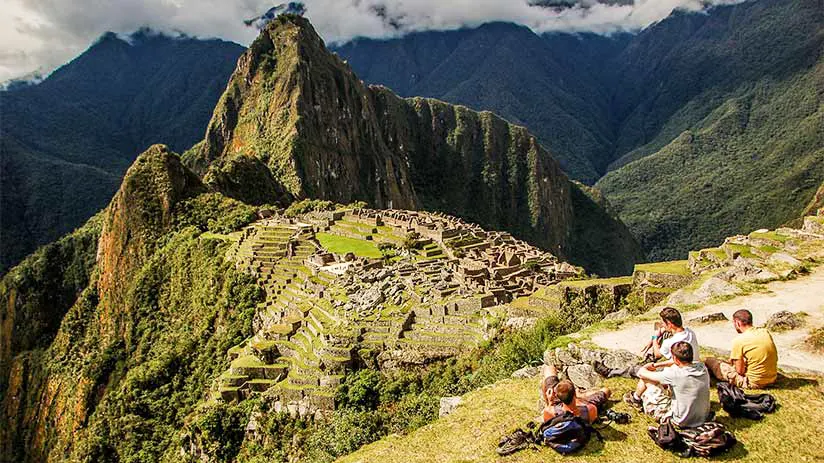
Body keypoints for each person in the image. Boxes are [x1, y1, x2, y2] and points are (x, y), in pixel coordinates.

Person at [593, 307, 700, 378]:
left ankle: (610, 372)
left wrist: (654, 338)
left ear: (669, 324)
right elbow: (665, 331)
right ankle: (649, 359)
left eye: (663, 323)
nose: (661, 325)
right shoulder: (689, 332)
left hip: (679, 371)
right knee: (665, 334)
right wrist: (659, 333)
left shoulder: (671, 342)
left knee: (636, 369)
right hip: (691, 364)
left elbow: (658, 353)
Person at [624, 341, 711, 428]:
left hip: (679, 421)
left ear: (675, 358)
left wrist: (646, 366)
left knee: (647, 380)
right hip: (702, 417)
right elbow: (676, 363)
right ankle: (636, 398)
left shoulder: (673, 374)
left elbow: (642, 373)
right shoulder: (702, 367)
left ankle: (635, 399)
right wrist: (656, 365)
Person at [704, 309, 778, 389]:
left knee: (710, 361)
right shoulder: (764, 332)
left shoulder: (739, 341)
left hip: (752, 382)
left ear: (737, 323)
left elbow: (740, 371)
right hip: (772, 378)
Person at [539, 364, 611, 424]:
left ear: (556, 395)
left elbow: (547, 420)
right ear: (574, 395)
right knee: (606, 390)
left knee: (550, 368)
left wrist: (550, 402)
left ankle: (581, 395)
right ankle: (581, 395)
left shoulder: (550, 412)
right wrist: (579, 399)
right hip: (580, 403)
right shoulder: (591, 409)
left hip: (560, 402)